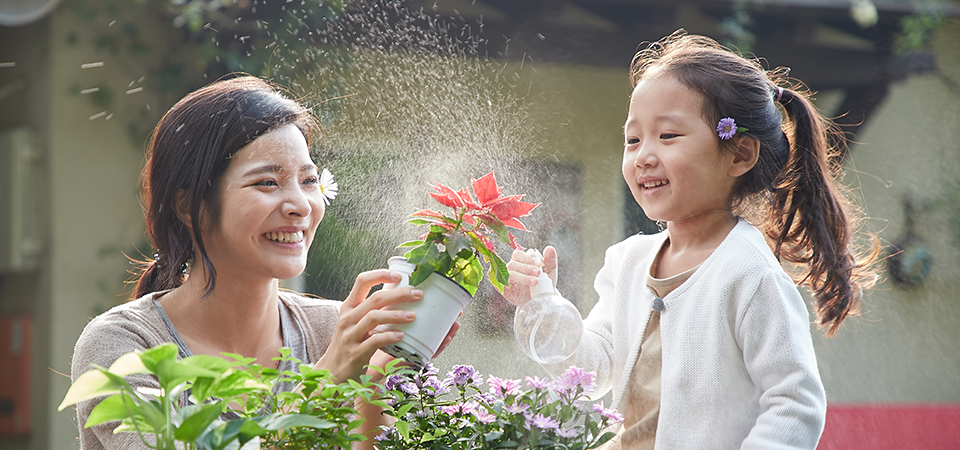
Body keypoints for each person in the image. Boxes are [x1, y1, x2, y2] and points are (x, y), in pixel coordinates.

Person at [505, 31, 878, 449]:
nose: (643, 156)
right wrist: (542, 305)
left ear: (740, 154)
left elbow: (794, 403)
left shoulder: (750, 275)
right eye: (633, 140)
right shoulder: (627, 262)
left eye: (667, 136)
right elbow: (592, 372)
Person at [69, 76, 459, 449]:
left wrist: (375, 374)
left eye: (309, 181)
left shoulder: (333, 329)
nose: (301, 205)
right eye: (267, 182)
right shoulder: (124, 345)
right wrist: (330, 377)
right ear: (189, 206)